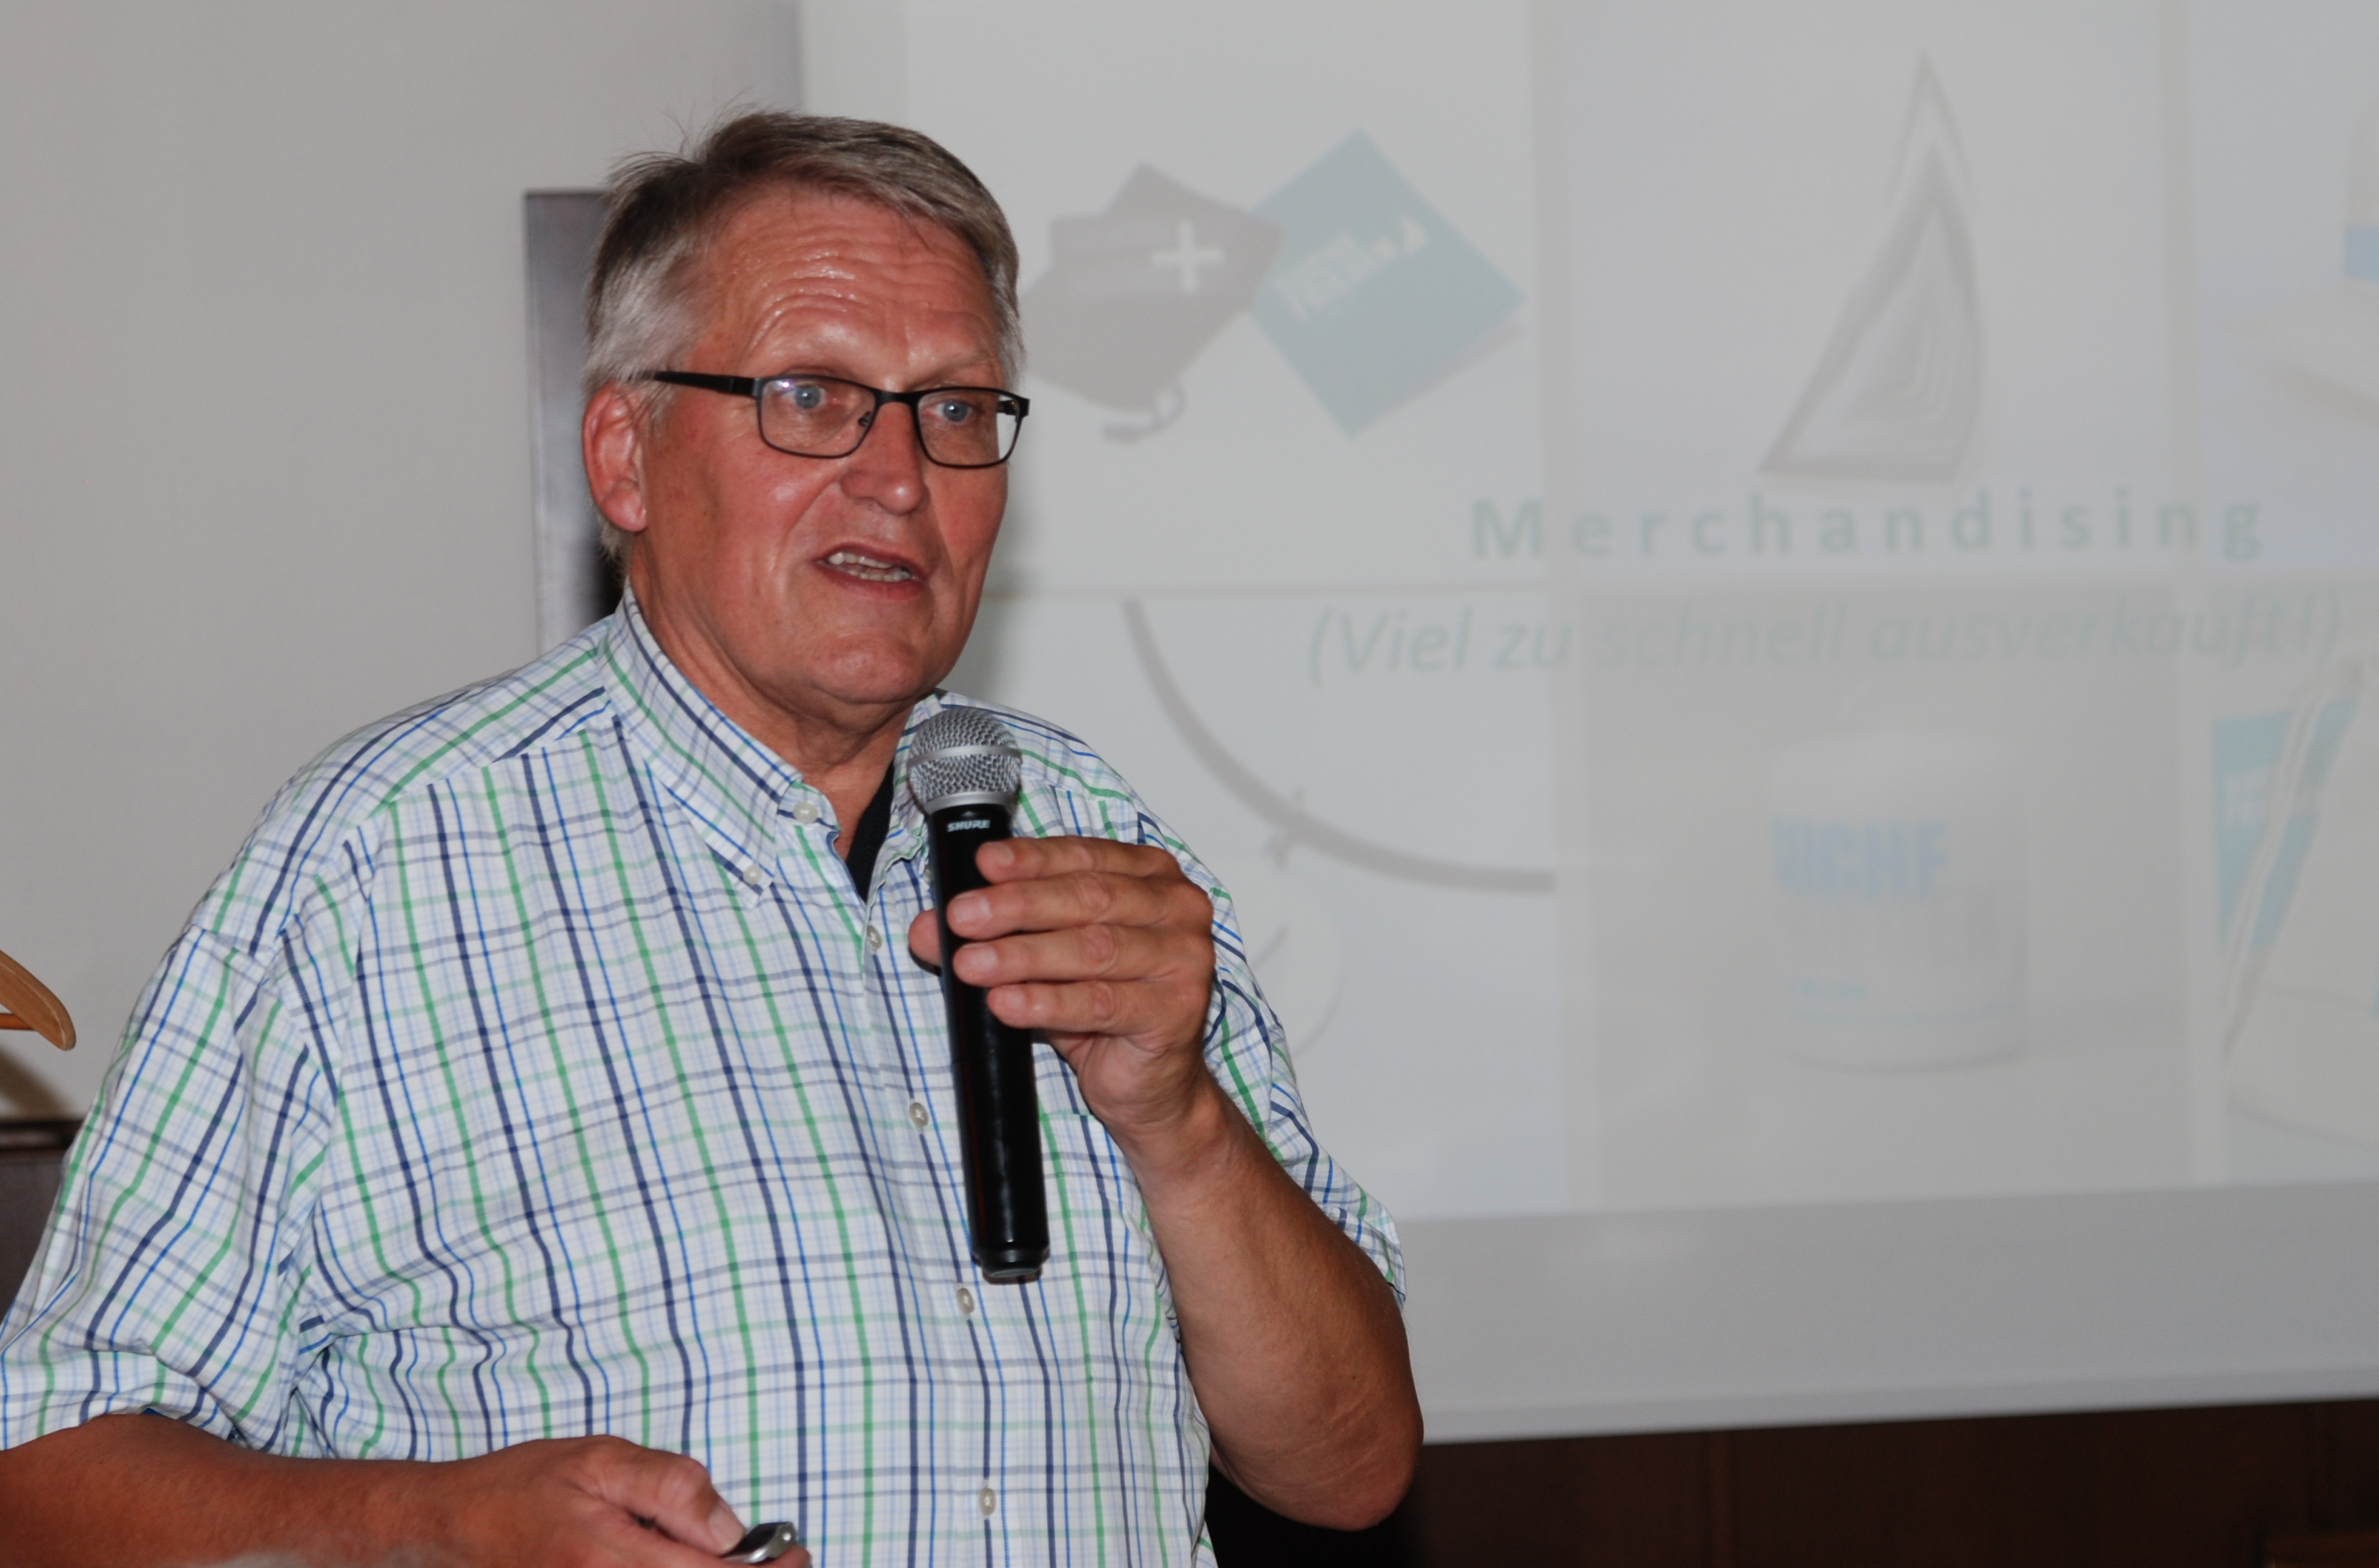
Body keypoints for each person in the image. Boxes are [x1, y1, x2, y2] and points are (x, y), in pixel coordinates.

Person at [0, 113, 1420, 1566]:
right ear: (625, 456)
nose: (900, 476)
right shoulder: (384, 864)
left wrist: (1178, 1121)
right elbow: (42, 1473)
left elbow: (1351, 1470)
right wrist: (439, 1532)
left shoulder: (1092, 836)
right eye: (812, 396)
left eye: (953, 409)